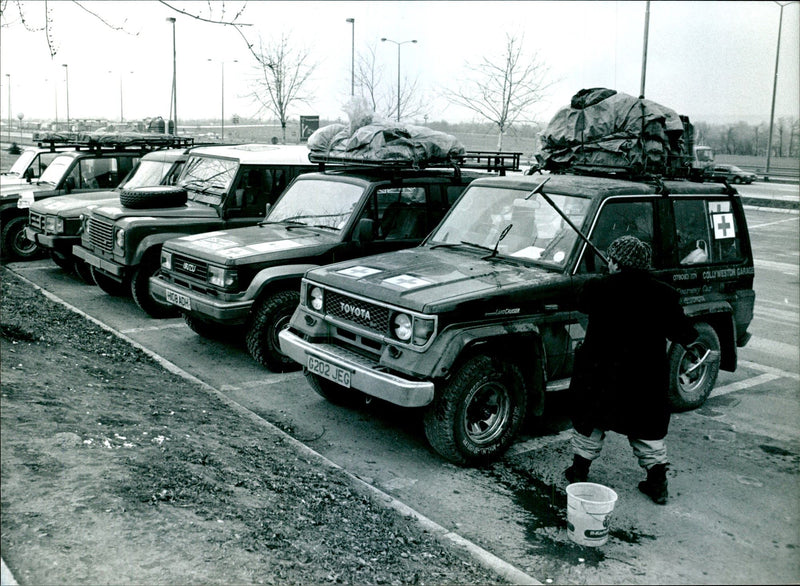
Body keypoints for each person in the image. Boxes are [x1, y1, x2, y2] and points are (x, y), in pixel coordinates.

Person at [565, 235, 698, 504]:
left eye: (611, 259)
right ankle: (657, 483)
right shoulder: (663, 293)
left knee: (590, 422)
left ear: (615, 262)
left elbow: (579, 301)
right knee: (646, 429)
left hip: (599, 374)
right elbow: (683, 331)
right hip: (643, 378)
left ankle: (578, 471)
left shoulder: (598, 287)